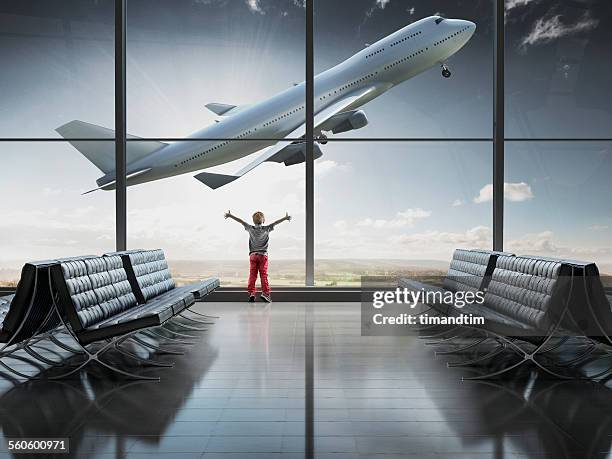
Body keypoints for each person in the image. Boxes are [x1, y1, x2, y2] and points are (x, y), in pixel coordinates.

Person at [225, 210, 291, 302]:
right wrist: (285, 218)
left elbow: (241, 221)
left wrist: (230, 215)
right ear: (263, 220)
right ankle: (266, 294)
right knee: (263, 275)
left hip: (253, 255)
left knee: (252, 275)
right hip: (263, 255)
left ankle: (252, 293)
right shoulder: (267, 228)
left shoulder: (250, 228)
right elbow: (276, 222)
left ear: (253, 221)